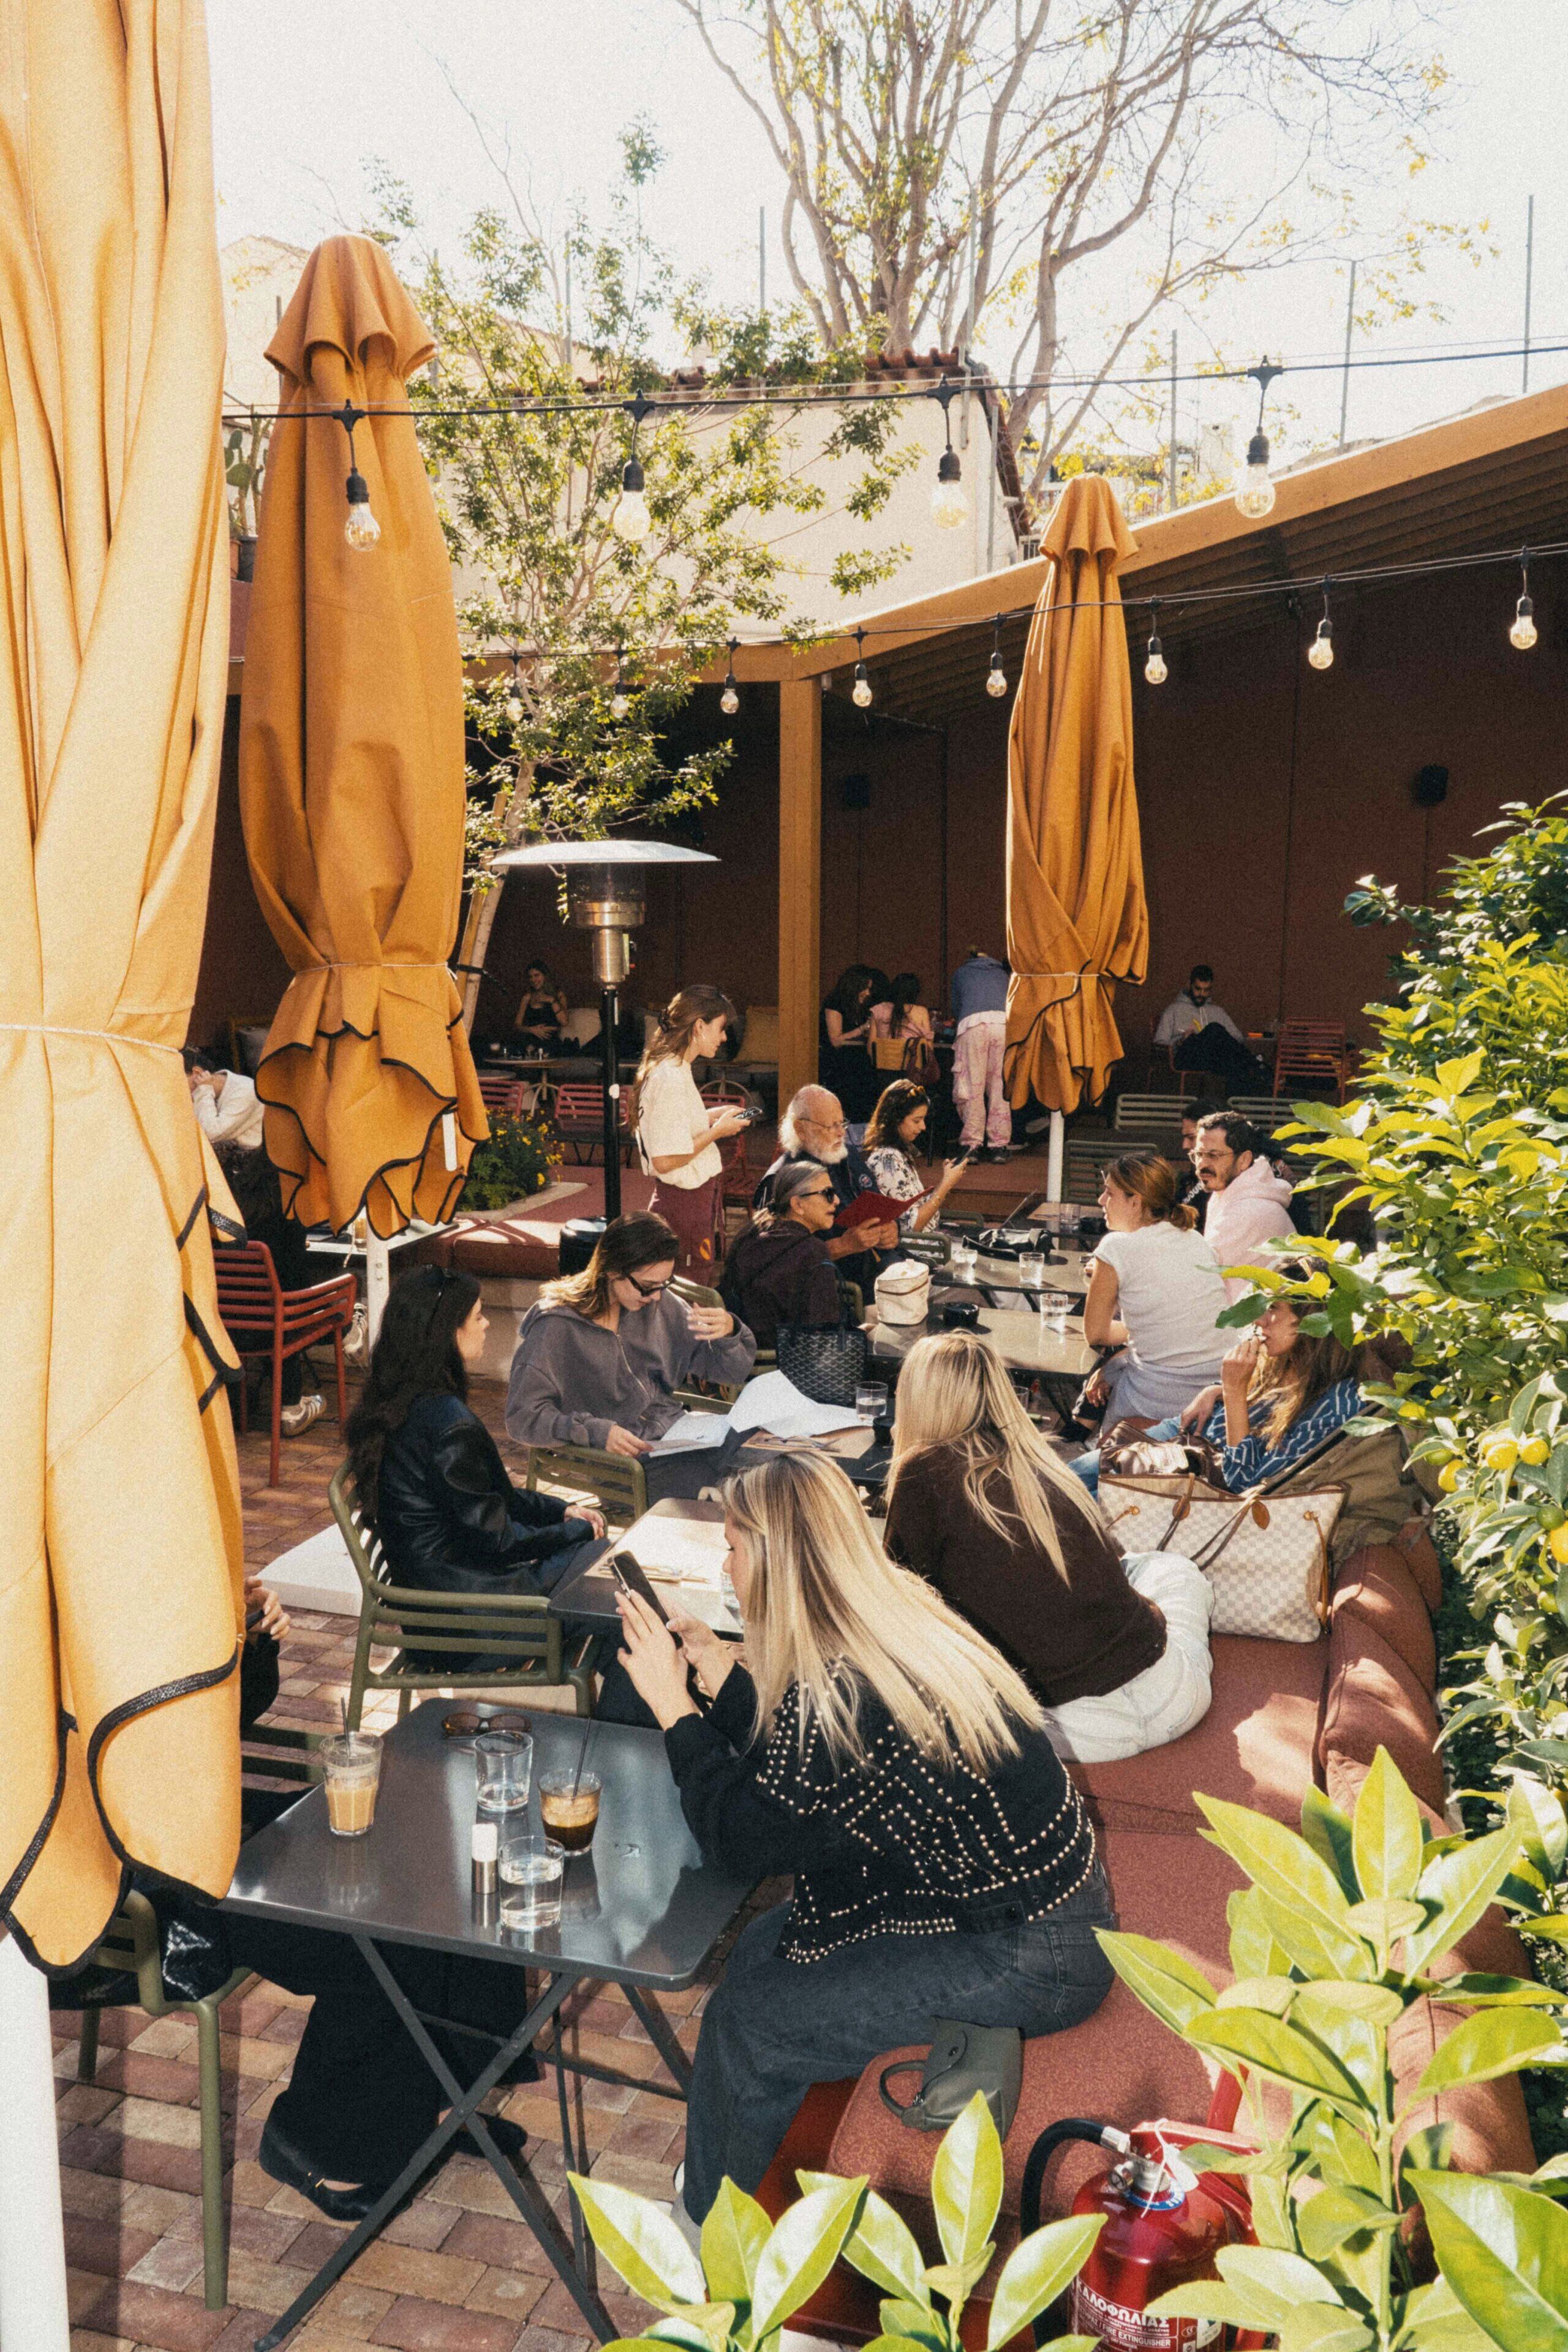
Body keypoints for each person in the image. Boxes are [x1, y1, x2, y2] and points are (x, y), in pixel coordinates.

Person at [612, 1450, 1114, 2226]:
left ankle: (711, 2238)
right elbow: (824, 1794)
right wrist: (726, 1680)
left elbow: (746, 1842)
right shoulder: (891, 1618)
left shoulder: (849, 1687)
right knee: (759, 1954)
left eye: (735, 1545)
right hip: (1015, 1907)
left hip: (1035, 1954)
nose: (726, 1560)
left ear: (779, 1561)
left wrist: (675, 1711)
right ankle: (751, 2176)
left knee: (747, 2021)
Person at [345, 1265, 654, 1727]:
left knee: (617, 1591)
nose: (487, 1323)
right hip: (469, 1621)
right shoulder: (447, 1422)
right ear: (445, 1334)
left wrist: (560, 1510)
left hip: (441, 1606)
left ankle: (621, 1732)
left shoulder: (404, 1402)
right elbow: (498, 1541)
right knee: (624, 1598)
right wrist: (569, 1531)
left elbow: (495, 1498)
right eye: (477, 1316)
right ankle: (629, 1737)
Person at [884, 1332, 1212, 1762]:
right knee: (1175, 1571)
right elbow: (1111, 1563)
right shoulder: (1039, 1461)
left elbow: (896, 1605)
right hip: (1176, 1697)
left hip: (1073, 1733)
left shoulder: (921, 1470)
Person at [505, 1213, 758, 1502]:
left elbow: (730, 1372)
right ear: (613, 1270)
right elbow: (522, 1417)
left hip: (677, 1438)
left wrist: (729, 1332)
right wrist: (597, 1432)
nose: (657, 1297)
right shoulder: (556, 1328)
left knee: (764, 1458)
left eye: (664, 1284)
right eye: (648, 1286)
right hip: (621, 1467)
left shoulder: (659, 1306)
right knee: (733, 1491)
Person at [186, 1047, 325, 1438]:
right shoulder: (284, 1212)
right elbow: (295, 1294)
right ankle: (292, 1404)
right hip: (275, 1324)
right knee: (298, 1296)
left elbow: (206, 1135)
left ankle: (237, 1401)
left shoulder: (216, 1219)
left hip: (229, 1326)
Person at [1079, 1150, 1229, 1428]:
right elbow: (1178, 1320)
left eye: (1109, 1193)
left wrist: (1137, 1335)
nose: (1101, 1201)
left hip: (1160, 1394)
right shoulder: (1194, 1239)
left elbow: (1096, 1334)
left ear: (1135, 1202)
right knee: (1109, 1374)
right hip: (1217, 1387)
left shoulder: (1116, 1247)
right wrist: (1144, 1330)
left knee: (1100, 1386)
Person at [1169, 1283, 1363, 1491]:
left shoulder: (1334, 1409)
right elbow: (1256, 1392)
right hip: (1182, 1444)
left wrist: (1233, 1391)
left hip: (1200, 1482)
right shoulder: (1281, 1361)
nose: (1258, 1320)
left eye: (1273, 1308)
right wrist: (1217, 1390)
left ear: (1313, 1318)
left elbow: (1243, 1485)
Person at [631, 986, 751, 1279]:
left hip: (688, 1200)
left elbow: (674, 1128)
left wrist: (713, 1115)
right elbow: (666, 1159)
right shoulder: (671, 1075)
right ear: (700, 1026)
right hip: (683, 1203)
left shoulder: (674, 1067)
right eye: (721, 1028)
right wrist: (717, 1132)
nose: (724, 1037)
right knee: (689, 1287)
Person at [753, 1087, 899, 1276]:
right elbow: (778, 1258)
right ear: (801, 1129)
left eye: (842, 1123)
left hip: (882, 1263)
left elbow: (879, 1205)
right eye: (831, 1126)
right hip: (836, 1282)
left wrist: (892, 1229)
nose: (841, 1133)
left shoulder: (847, 1156)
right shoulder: (781, 1179)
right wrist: (842, 1246)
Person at [720, 1161, 845, 1351]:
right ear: (797, 1205)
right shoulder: (813, 1251)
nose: (836, 1200)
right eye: (827, 1194)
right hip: (784, 1354)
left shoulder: (753, 1228)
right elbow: (824, 1331)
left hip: (740, 1342)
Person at [1194, 1111, 1295, 1300]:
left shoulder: (1249, 1209)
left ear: (1244, 1160)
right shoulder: (1232, 1194)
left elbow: (1198, 1274)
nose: (1202, 1164)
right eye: (1199, 1154)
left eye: (1213, 1155)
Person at [864, 1080, 968, 1234]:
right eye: (917, 1120)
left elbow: (917, 1209)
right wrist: (946, 1184)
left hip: (933, 1240)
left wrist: (946, 1181)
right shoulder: (887, 1161)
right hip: (920, 1250)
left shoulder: (898, 1153)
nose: (923, 1127)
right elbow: (913, 1225)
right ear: (896, 1119)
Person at [1153, 966, 1265, 1092]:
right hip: (1187, 1057)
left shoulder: (1218, 1011)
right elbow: (1159, 1042)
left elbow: (1238, 1037)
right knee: (1214, 1029)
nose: (1201, 994)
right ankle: (1257, 1065)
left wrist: (1219, 1041)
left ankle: (1246, 1088)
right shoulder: (1173, 1010)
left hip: (1213, 1059)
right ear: (1189, 985)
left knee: (1230, 1059)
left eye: (1206, 990)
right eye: (1198, 989)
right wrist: (1179, 1041)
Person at [949, 946, 1011, 1160]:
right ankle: (999, 1146)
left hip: (972, 1025)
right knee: (999, 1086)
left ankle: (972, 1145)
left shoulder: (962, 973)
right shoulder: (1002, 973)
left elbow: (957, 1008)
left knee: (973, 1086)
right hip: (1002, 1024)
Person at [818, 965, 883, 1126]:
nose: (868, 993)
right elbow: (836, 1040)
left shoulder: (858, 1006)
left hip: (855, 1059)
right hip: (837, 1061)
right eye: (865, 988)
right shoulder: (834, 1004)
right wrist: (862, 1029)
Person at [513, 961, 568, 1052]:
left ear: (545, 976)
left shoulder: (558, 995)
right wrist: (531, 1030)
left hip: (550, 1041)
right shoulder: (527, 997)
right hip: (530, 1039)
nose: (533, 980)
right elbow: (517, 1025)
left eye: (537, 975)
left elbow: (564, 1022)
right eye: (530, 977)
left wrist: (552, 1001)